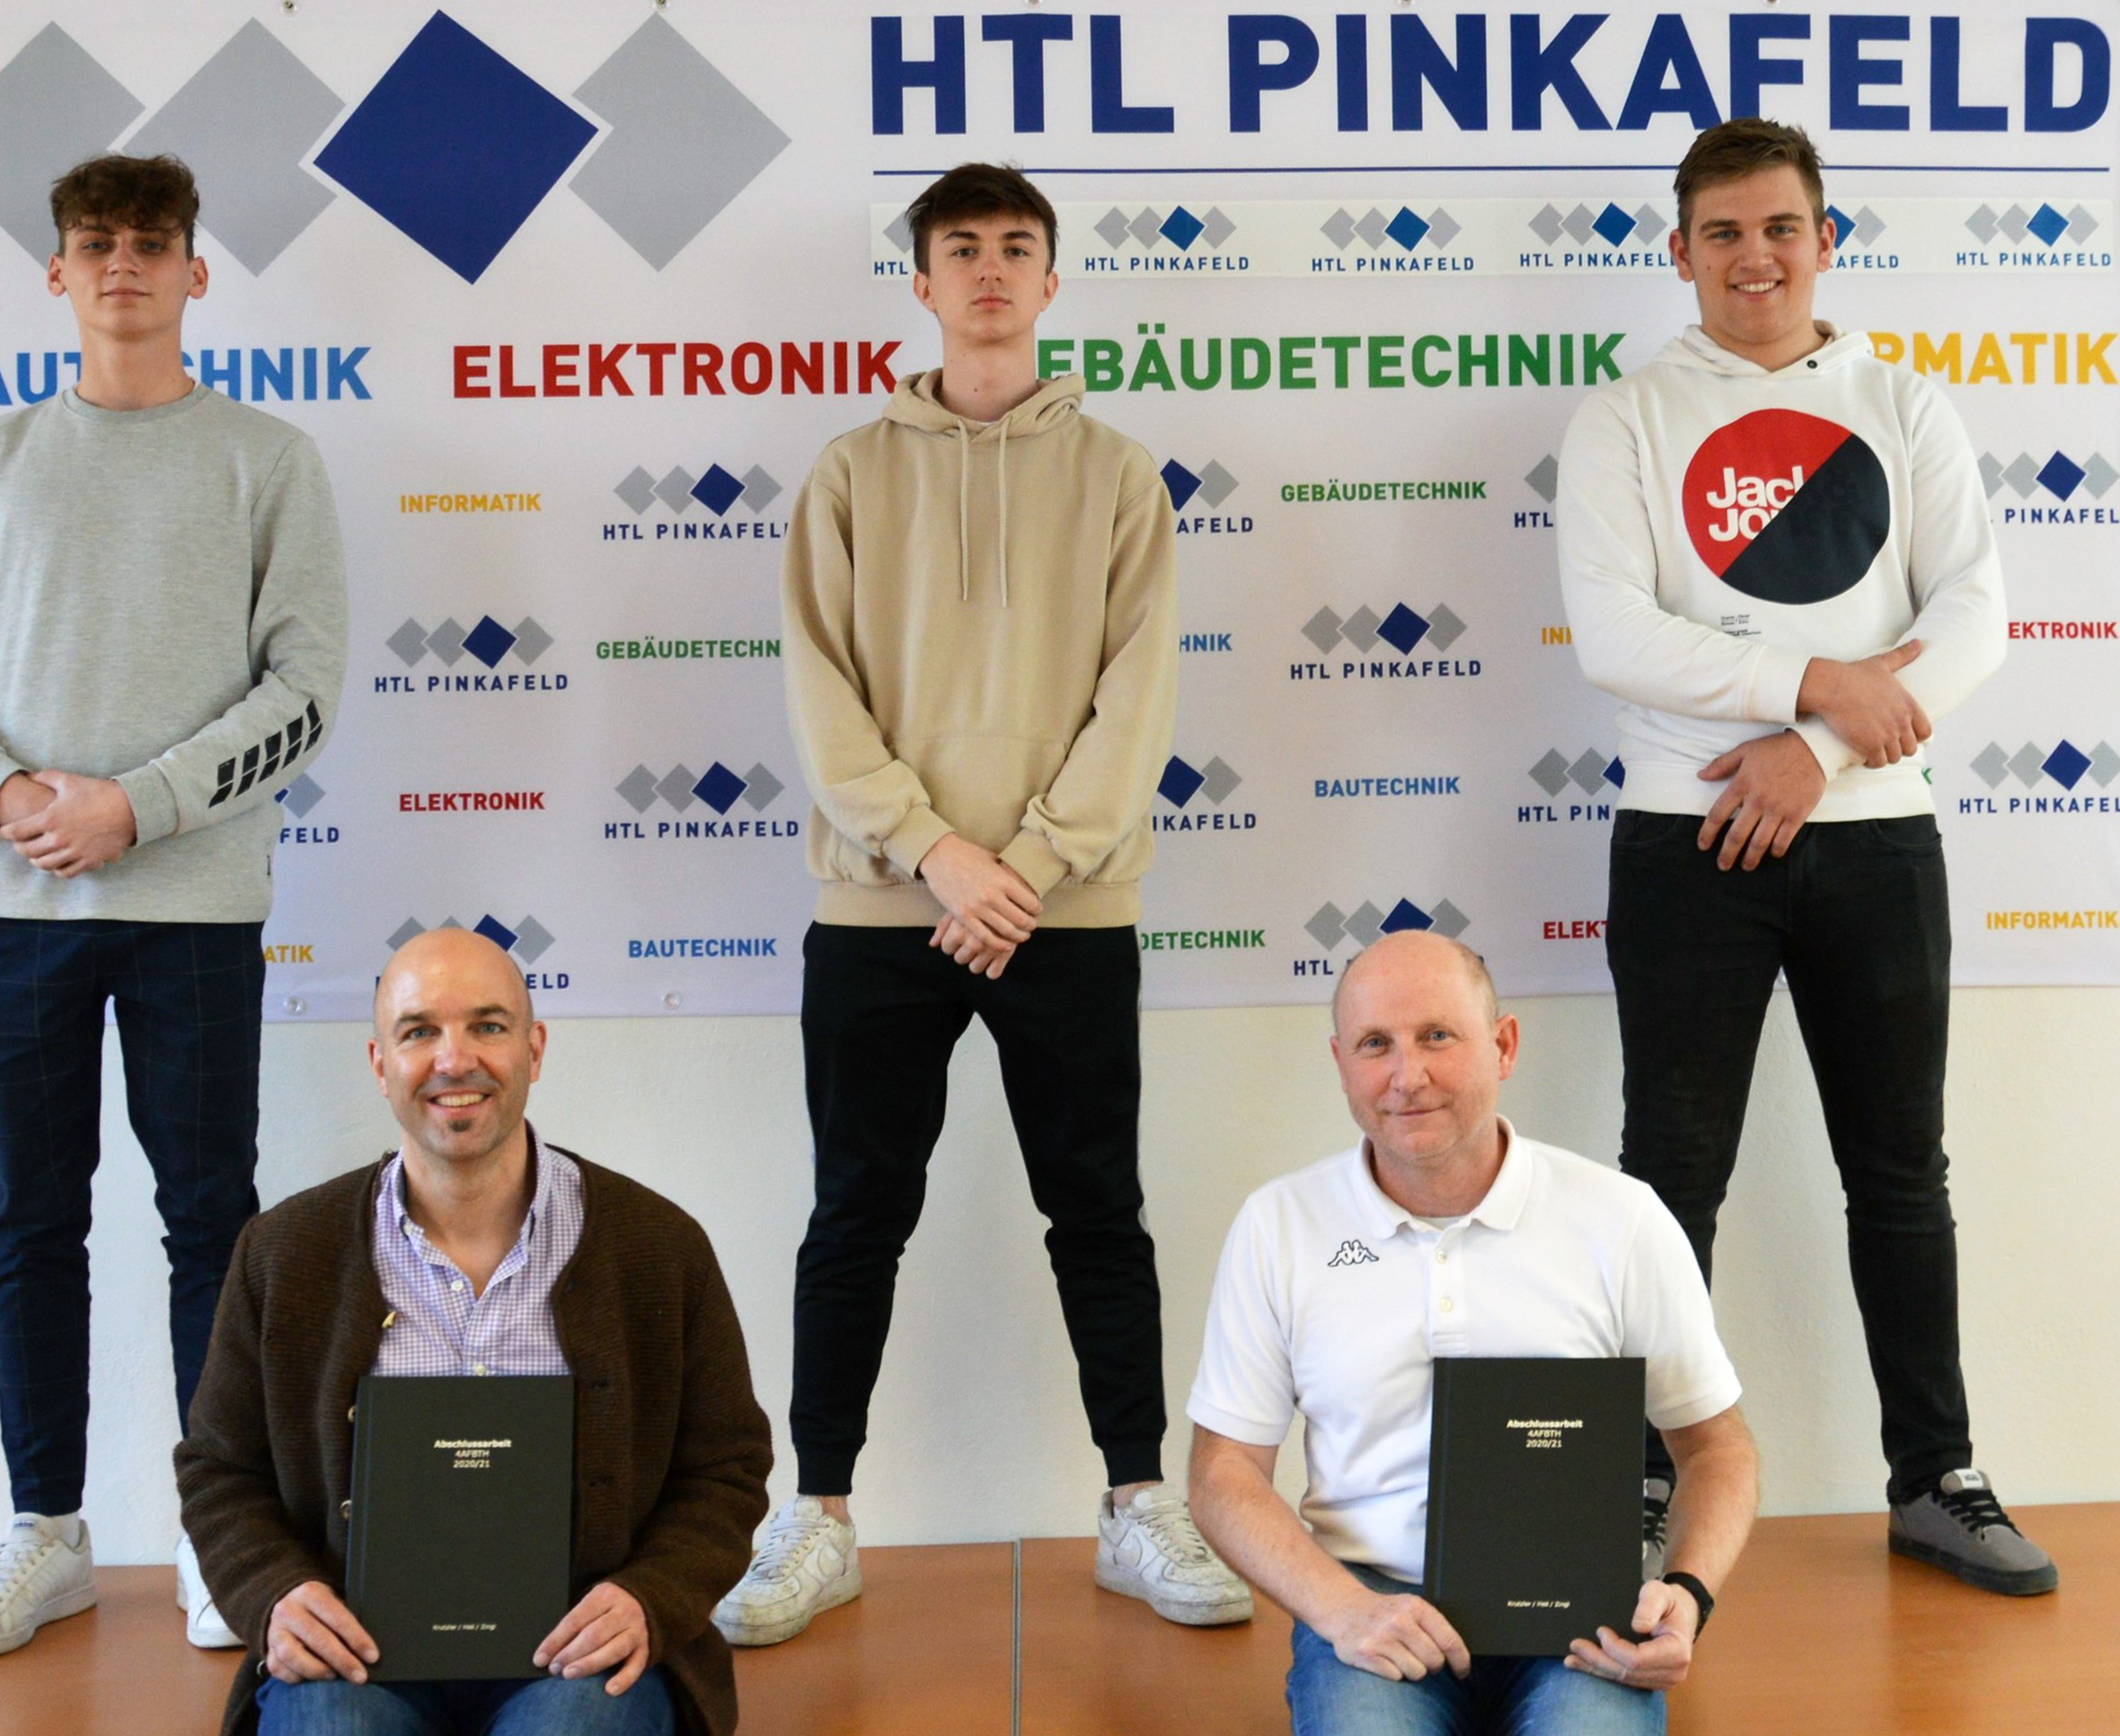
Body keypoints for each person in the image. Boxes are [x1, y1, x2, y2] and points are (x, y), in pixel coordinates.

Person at [720, 161, 1247, 1646]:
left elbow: (1138, 696)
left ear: (1053, 280)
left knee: (1100, 1212)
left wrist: (1033, 865)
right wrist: (935, 855)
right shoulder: (848, 473)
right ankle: (819, 1517)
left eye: (1018, 247)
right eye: (964, 249)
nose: (993, 271)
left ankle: (1136, 1501)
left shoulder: (1119, 474)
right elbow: (820, 694)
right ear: (924, 282)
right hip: (882, 912)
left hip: (1066, 912)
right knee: (854, 1214)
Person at [1556, 118, 2054, 1595]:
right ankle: (1632, 1484)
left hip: (1877, 838)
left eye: (1781, 227)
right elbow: (1616, 633)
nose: (1755, 256)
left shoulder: (1904, 403)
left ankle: (1937, 1477)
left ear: (1825, 240)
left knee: (1900, 1169)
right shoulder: (1627, 418)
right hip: (1687, 833)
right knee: (1668, 1172)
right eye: (1723, 232)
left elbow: (1972, 619)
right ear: (1680, 252)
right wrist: (1824, 682)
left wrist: (1814, 748)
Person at [0, 154, 349, 1658]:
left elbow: (306, 686)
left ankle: (221, 1539)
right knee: (32, 1219)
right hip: (16, 908)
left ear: (196, 273)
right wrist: (5, 794)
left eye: (152, 243)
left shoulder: (267, 458)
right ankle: (47, 1528)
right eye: (96, 243)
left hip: (194, 907)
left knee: (212, 1218)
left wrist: (136, 804)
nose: (124, 265)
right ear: (58, 273)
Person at [174, 929, 772, 1736]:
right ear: (380, 1063)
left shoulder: (657, 1246)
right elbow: (218, 1468)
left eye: (488, 1025)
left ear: (535, 1047)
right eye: (419, 1030)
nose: (454, 1060)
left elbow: (726, 1467)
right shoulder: (284, 1253)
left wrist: (650, 1597)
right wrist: (273, 1591)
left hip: (577, 1655)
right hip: (357, 1653)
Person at [1188, 933, 1759, 1736]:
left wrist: (1688, 1595)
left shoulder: (1621, 1218)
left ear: (1504, 1045)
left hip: (1579, 1614)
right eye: (1375, 1044)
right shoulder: (1277, 1225)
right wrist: (1340, 1608)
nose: (1406, 1075)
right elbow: (1223, 1474)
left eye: (1437, 1036)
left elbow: (1717, 1447)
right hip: (1371, 1599)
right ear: (1341, 1063)